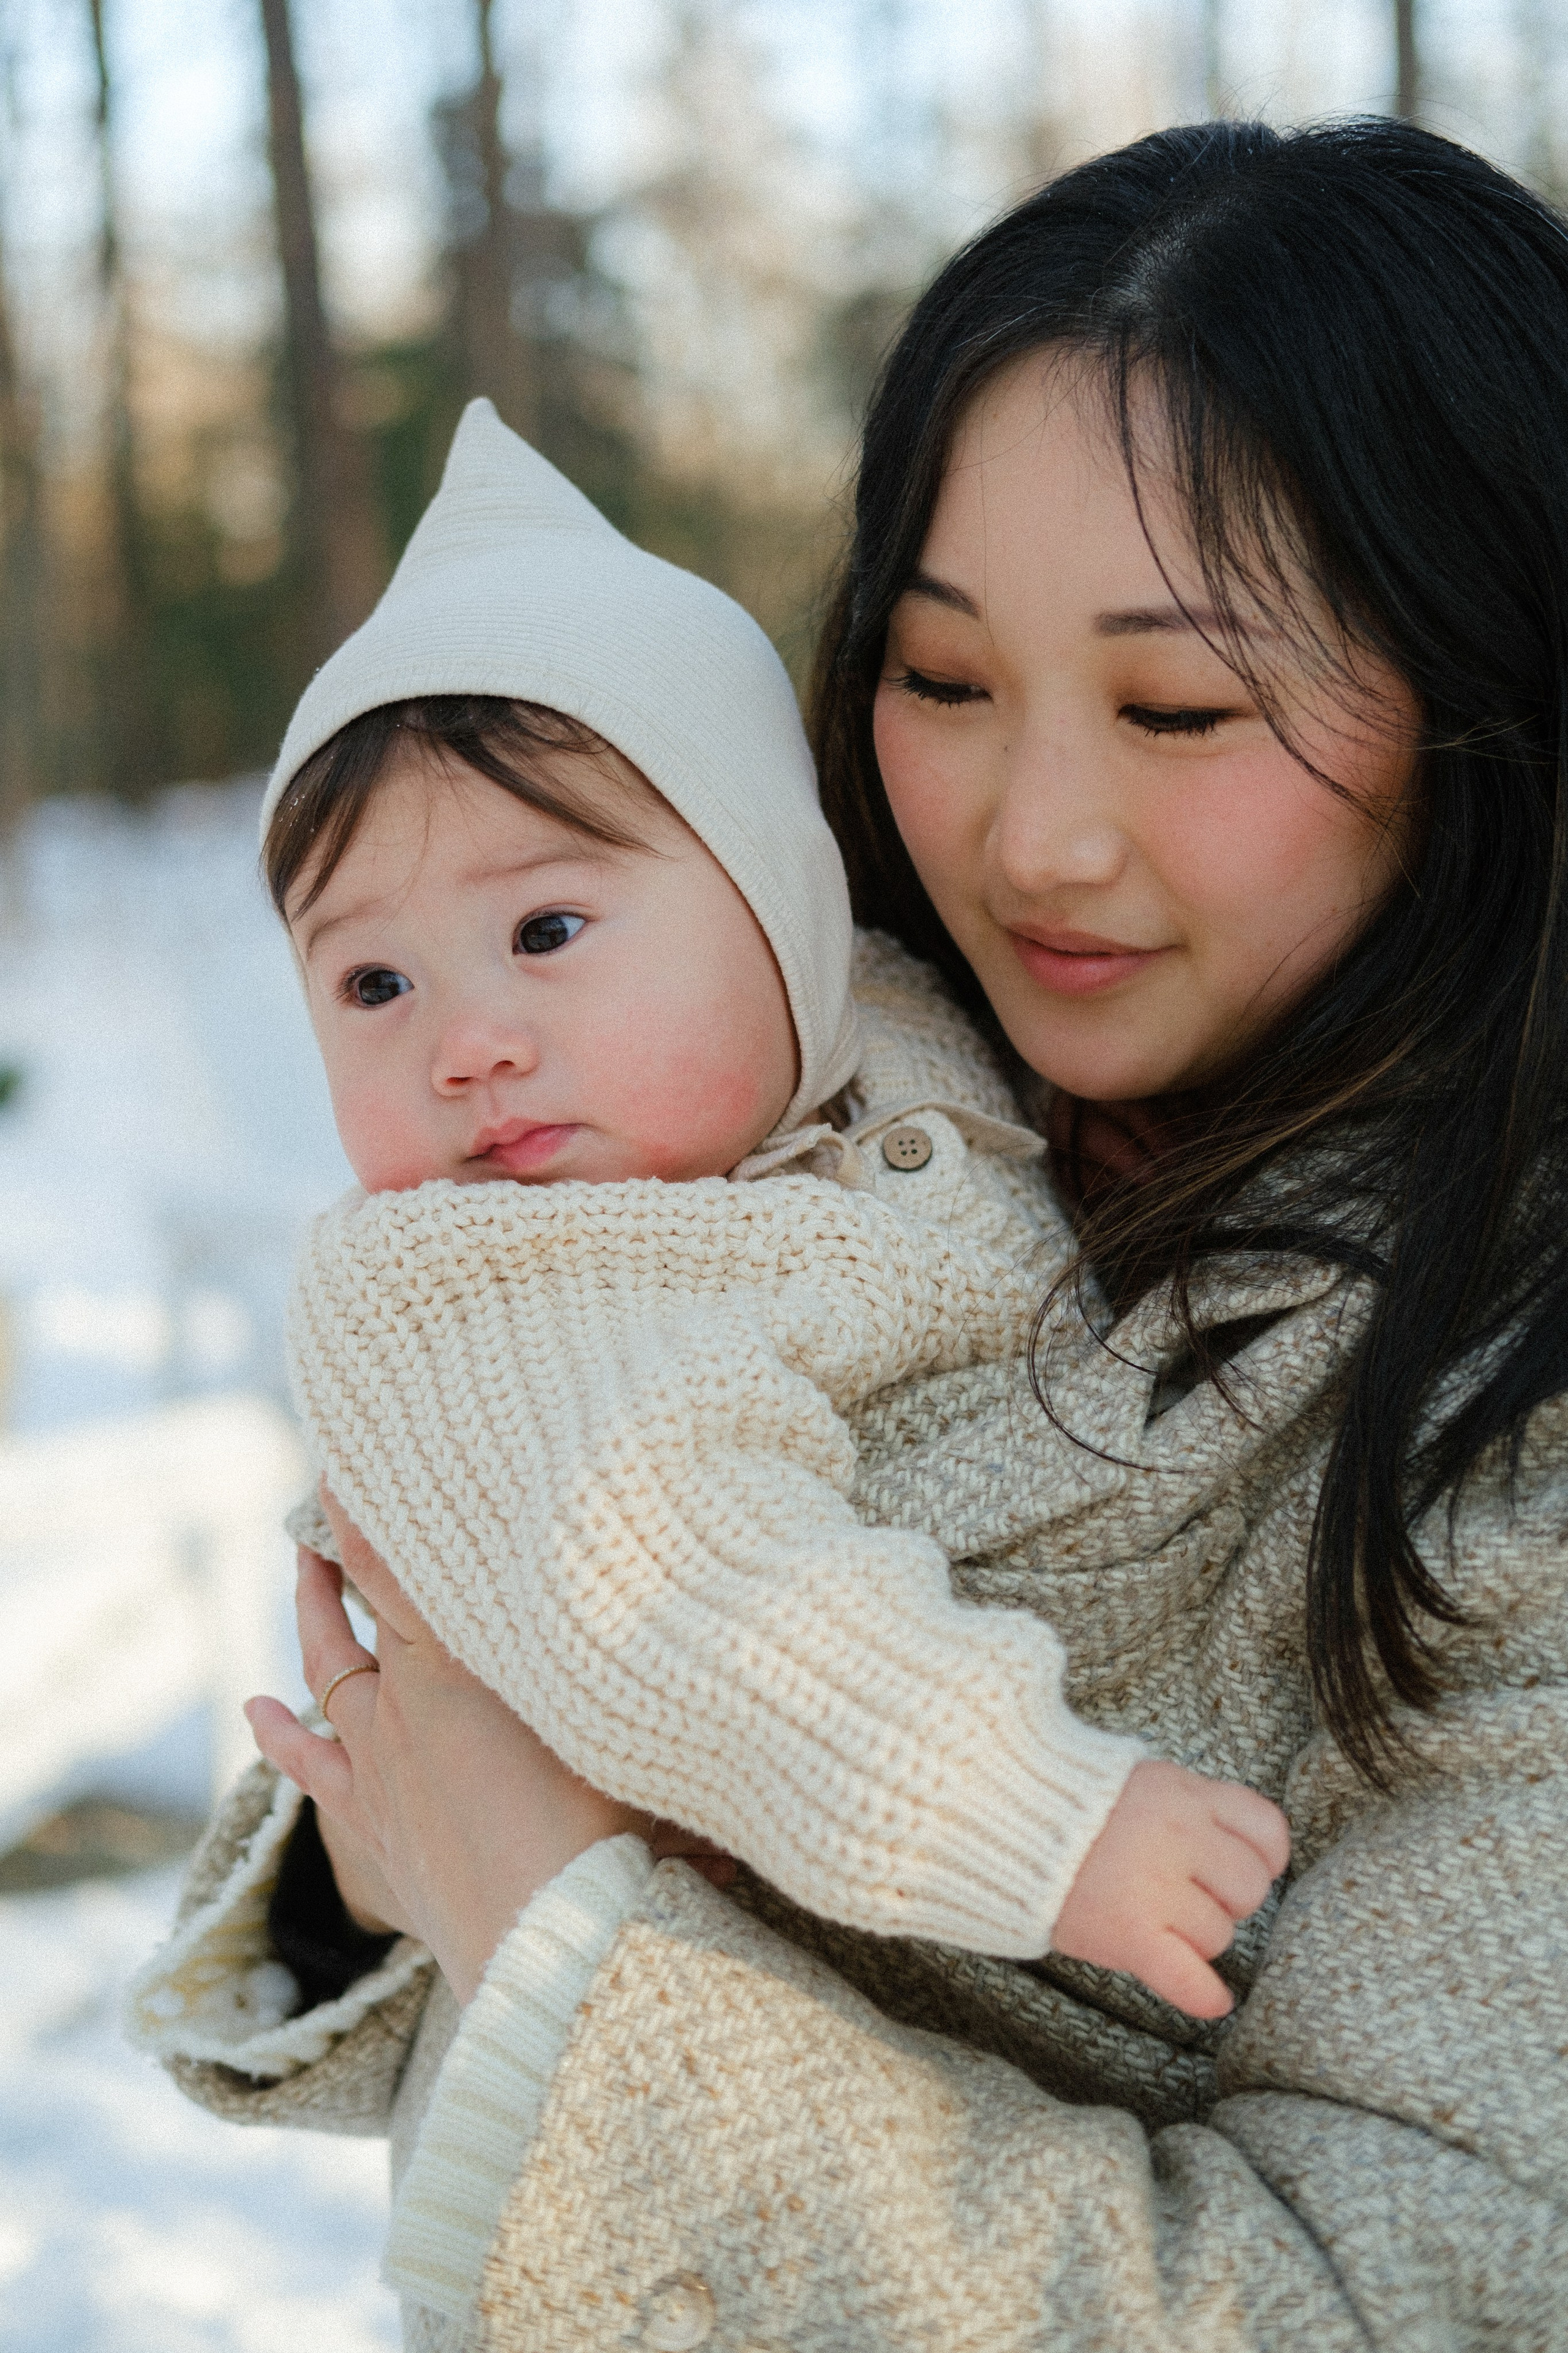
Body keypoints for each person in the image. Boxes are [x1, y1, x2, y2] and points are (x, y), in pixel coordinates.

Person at [132, 117, 1567, 2352]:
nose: (1033, 835)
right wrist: (403, 1814)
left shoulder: (1515, 1426)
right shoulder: (810, 1086)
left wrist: (553, 1922)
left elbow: (1403, 2304)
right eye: (942, 678)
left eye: (1178, 703)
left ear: (1495, 705)